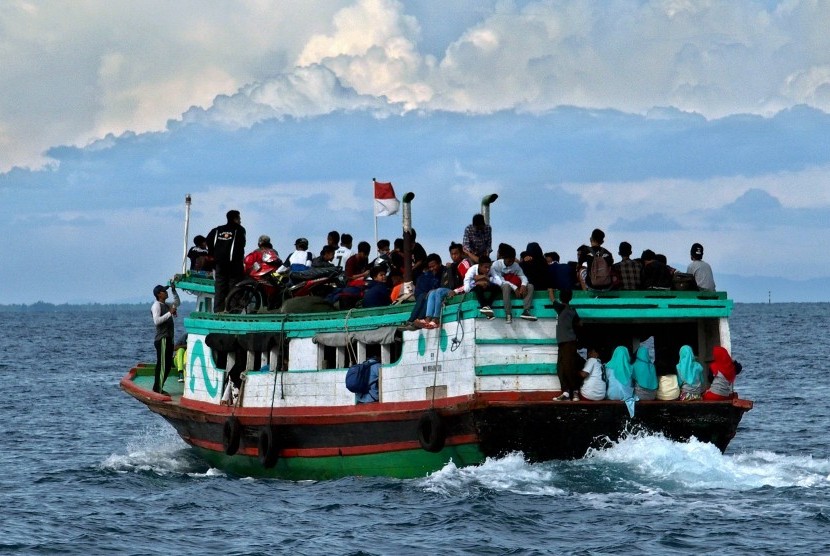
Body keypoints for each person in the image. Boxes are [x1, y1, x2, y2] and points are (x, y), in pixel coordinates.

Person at [206, 209, 246, 312]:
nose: (240, 221)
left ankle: (218, 311)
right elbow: (242, 245)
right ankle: (233, 311)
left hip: (219, 265)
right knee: (234, 288)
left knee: (219, 289)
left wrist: (213, 254)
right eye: (239, 218)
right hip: (234, 266)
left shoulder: (217, 230)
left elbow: (208, 241)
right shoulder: (239, 230)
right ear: (235, 219)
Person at [491, 243, 536, 323]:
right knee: (506, 286)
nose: (511, 262)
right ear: (504, 258)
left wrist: (523, 285)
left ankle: (526, 311)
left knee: (530, 286)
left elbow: (522, 276)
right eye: (509, 260)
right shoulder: (496, 265)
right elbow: (500, 280)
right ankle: (508, 314)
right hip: (501, 286)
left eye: (512, 260)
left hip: (514, 285)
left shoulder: (515, 265)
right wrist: (515, 288)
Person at [552, 289, 584, 401]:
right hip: (564, 342)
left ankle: (575, 391)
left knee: (568, 367)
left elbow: (552, 298)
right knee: (561, 367)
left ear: (561, 298)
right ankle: (565, 392)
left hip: (568, 342)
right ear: (570, 298)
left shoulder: (561, 308)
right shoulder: (572, 310)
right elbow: (580, 323)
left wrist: (550, 290)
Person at [151, 282, 180, 395]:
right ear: (159, 294)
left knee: (167, 365)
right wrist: (169, 313)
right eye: (164, 291)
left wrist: (174, 291)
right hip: (162, 338)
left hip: (169, 339)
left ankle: (159, 386)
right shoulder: (156, 306)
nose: (166, 292)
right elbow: (156, 321)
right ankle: (157, 388)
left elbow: (177, 303)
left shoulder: (166, 305)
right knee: (162, 364)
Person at [408, 253, 444, 324]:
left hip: (440, 296)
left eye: (433, 266)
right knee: (423, 296)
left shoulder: (445, 272)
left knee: (428, 297)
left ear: (439, 263)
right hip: (427, 297)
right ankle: (412, 321)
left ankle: (416, 320)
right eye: (430, 267)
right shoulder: (427, 275)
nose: (432, 269)